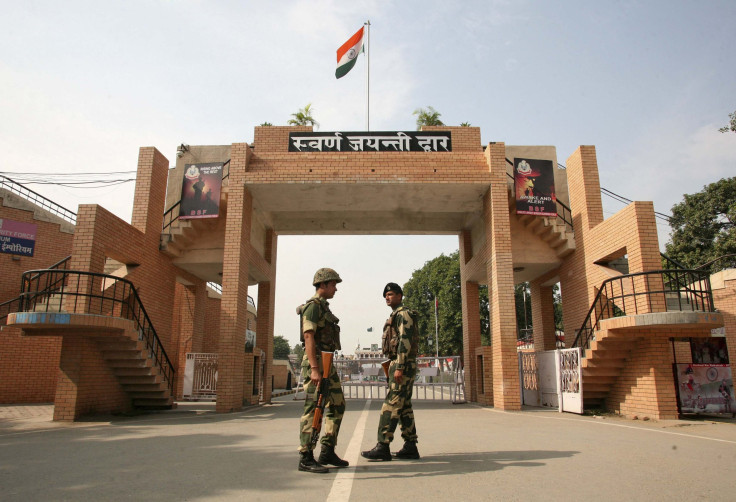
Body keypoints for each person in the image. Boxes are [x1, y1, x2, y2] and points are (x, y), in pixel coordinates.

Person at [297, 268, 348, 473]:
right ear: (323, 285)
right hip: (316, 363)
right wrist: (315, 369)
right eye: (333, 284)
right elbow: (309, 337)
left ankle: (327, 449)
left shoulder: (324, 308)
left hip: (327, 362)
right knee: (314, 407)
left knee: (337, 404)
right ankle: (306, 455)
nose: (335, 288)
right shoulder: (313, 307)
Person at [361, 282, 420, 461]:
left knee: (392, 404)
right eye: (386, 295)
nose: (388, 297)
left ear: (400, 296)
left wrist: (400, 366)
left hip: (402, 364)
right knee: (404, 406)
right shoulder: (396, 315)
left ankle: (383, 445)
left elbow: (405, 340)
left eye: (392, 294)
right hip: (398, 363)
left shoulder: (403, 314)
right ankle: (410, 446)